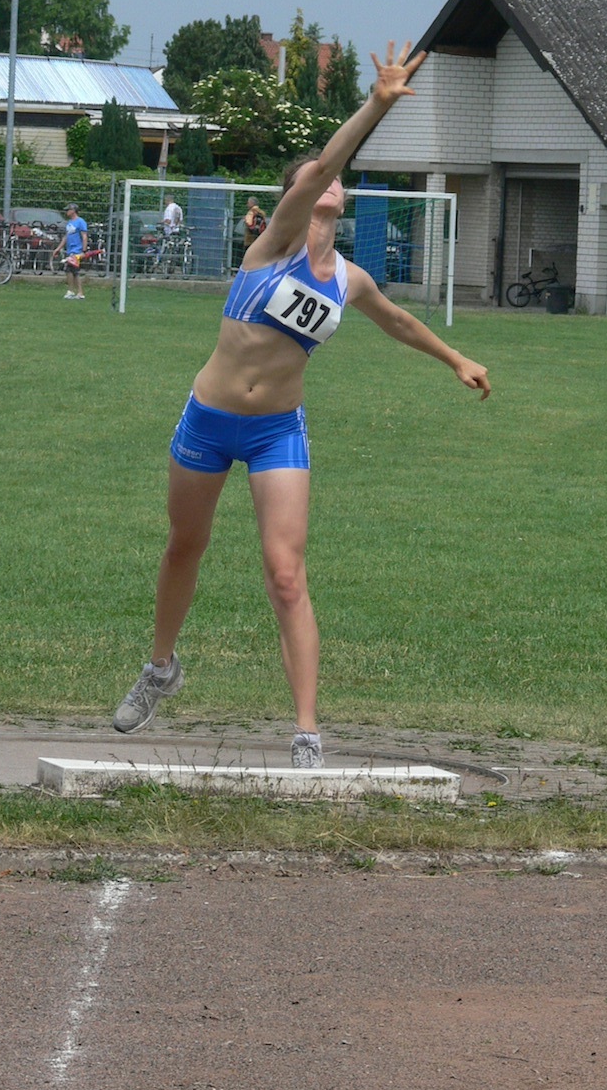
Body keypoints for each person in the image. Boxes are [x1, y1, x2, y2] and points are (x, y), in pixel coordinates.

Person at [113, 41, 491, 764]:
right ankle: (160, 669)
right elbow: (320, 164)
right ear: (296, 194)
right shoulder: (272, 246)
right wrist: (376, 104)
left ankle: (308, 731)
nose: (330, 181)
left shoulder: (349, 279)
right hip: (209, 418)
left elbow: (398, 321)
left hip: (276, 431)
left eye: (337, 179)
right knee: (185, 544)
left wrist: (456, 359)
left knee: (286, 574)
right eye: (320, 176)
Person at [54, 203, 88, 299]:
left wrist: (84, 250)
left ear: (73, 211)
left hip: (77, 250)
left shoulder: (80, 222)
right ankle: (74, 291)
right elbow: (66, 237)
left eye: (68, 210)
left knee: (73, 270)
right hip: (70, 250)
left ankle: (77, 292)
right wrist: (58, 248)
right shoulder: (69, 222)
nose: (66, 212)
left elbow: (84, 236)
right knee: (71, 271)